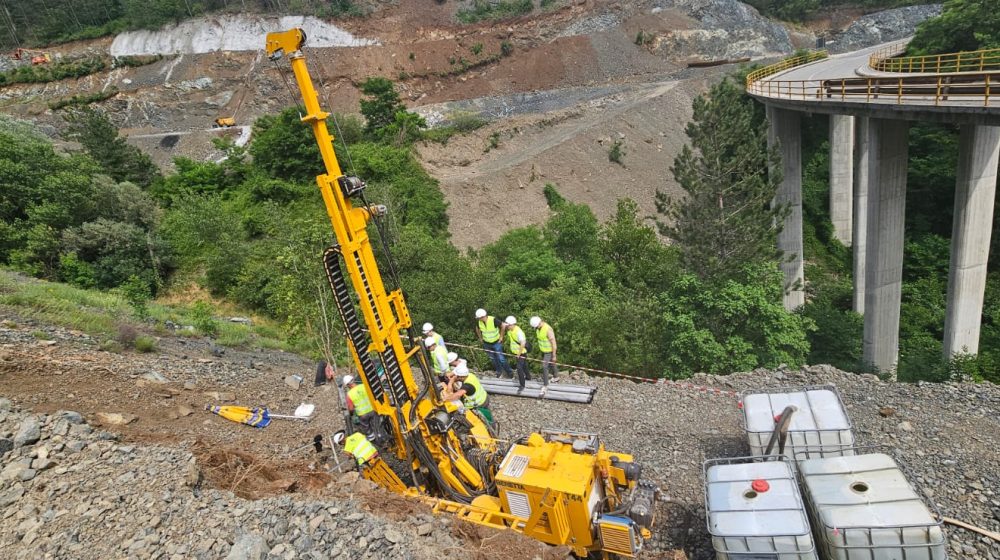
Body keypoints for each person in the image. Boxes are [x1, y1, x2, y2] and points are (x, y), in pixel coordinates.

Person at [475, 308, 513, 378]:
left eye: (479, 318)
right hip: (486, 343)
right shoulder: (479, 322)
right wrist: (480, 338)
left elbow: (503, 326)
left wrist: (501, 337)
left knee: (501, 359)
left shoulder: (493, 320)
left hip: (496, 342)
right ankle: (499, 372)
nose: (478, 319)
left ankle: (509, 372)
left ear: (482, 316)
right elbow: (477, 329)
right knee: (493, 359)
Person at [343, 375, 377, 439]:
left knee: (367, 428)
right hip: (372, 410)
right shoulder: (363, 386)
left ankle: (371, 437)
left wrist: (351, 413)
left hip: (363, 414)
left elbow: (351, 408)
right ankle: (379, 435)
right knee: (376, 425)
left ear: (348, 385)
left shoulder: (349, 394)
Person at [529, 316, 559, 386]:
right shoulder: (538, 329)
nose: (536, 328)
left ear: (539, 323)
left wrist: (554, 355)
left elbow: (553, 343)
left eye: (536, 327)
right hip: (544, 351)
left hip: (549, 351)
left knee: (544, 366)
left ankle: (545, 384)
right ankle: (556, 376)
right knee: (552, 363)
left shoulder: (548, 329)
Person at [503, 316, 530, 389]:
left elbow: (523, 343)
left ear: (512, 324)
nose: (507, 327)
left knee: (519, 368)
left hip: (521, 353)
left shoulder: (519, 332)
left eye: (508, 325)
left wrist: (518, 354)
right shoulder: (510, 330)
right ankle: (528, 377)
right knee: (524, 365)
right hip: (516, 352)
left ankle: (522, 385)